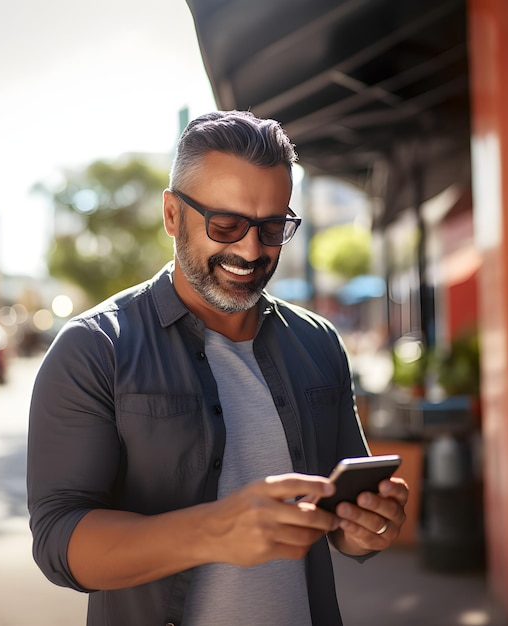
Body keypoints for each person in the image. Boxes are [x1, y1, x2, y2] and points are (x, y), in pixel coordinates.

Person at [27, 110, 409, 626]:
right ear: (171, 215)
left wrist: (368, 527)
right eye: (225, 224)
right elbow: (58, 540)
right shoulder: (94, 349)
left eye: (272, 227)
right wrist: (213, 531)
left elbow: (344, 523)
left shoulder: (319, 343)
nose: (250, 250)